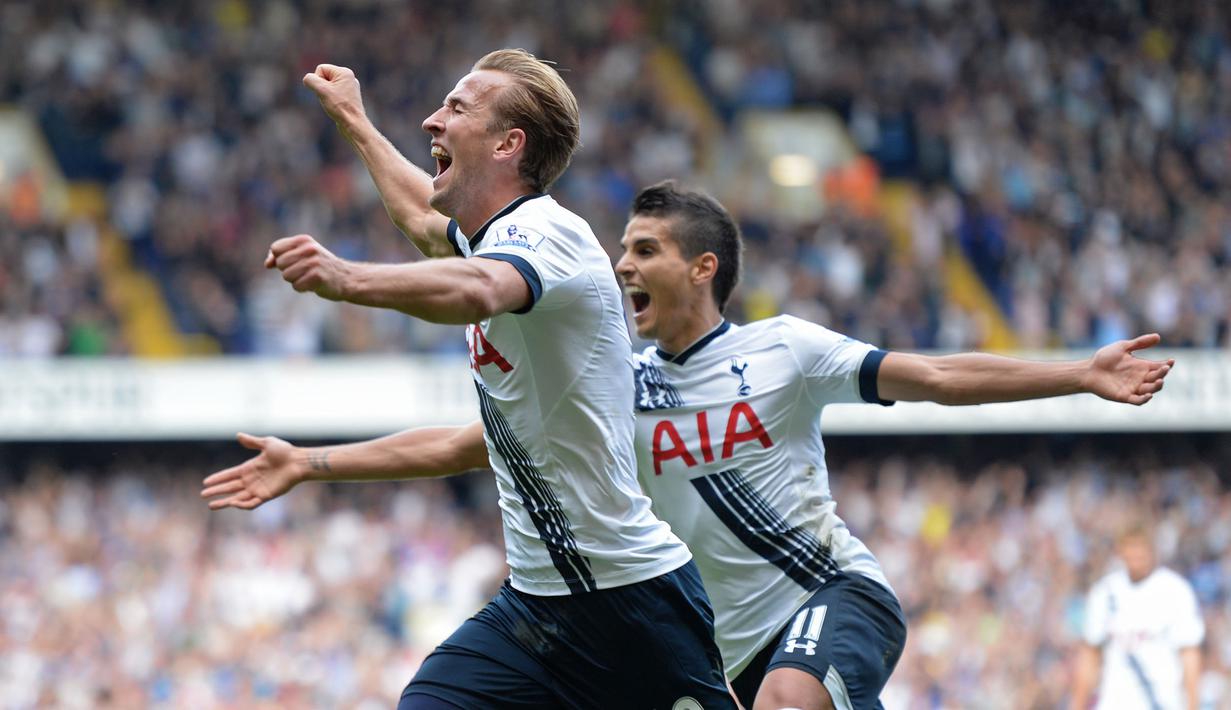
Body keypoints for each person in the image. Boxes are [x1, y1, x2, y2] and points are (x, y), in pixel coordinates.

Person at [207, 178, 1174, 710]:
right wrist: (318, 463)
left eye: (642, 250)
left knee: (793, 701)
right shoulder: (613, 383)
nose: (620, 264)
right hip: (722, 655)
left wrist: (1076, 372)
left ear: (700, 267)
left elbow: (936, 376)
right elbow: (471, 443)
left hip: (832, 598)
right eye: (620, 250)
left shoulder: (784, 352)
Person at [204, 52, 733, 709]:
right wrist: (352, 119)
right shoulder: (494, 241)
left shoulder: (548, 234)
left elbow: (479, 288)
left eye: (455, 109)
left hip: (633, 606)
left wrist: (346, 279)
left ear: (509, 144)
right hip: (537, 611)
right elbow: (426, 230)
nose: (432, 120)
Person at [1071, 525, 1204, 710]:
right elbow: (1089, 656)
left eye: (1141, 546)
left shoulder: (1175, 591)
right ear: (1120, 550)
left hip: (1161, 704)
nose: (1136, 554)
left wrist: (1192, 705)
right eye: (1130, 546)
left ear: (1152, 549)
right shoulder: (1105, 592)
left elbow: (1190, 656)